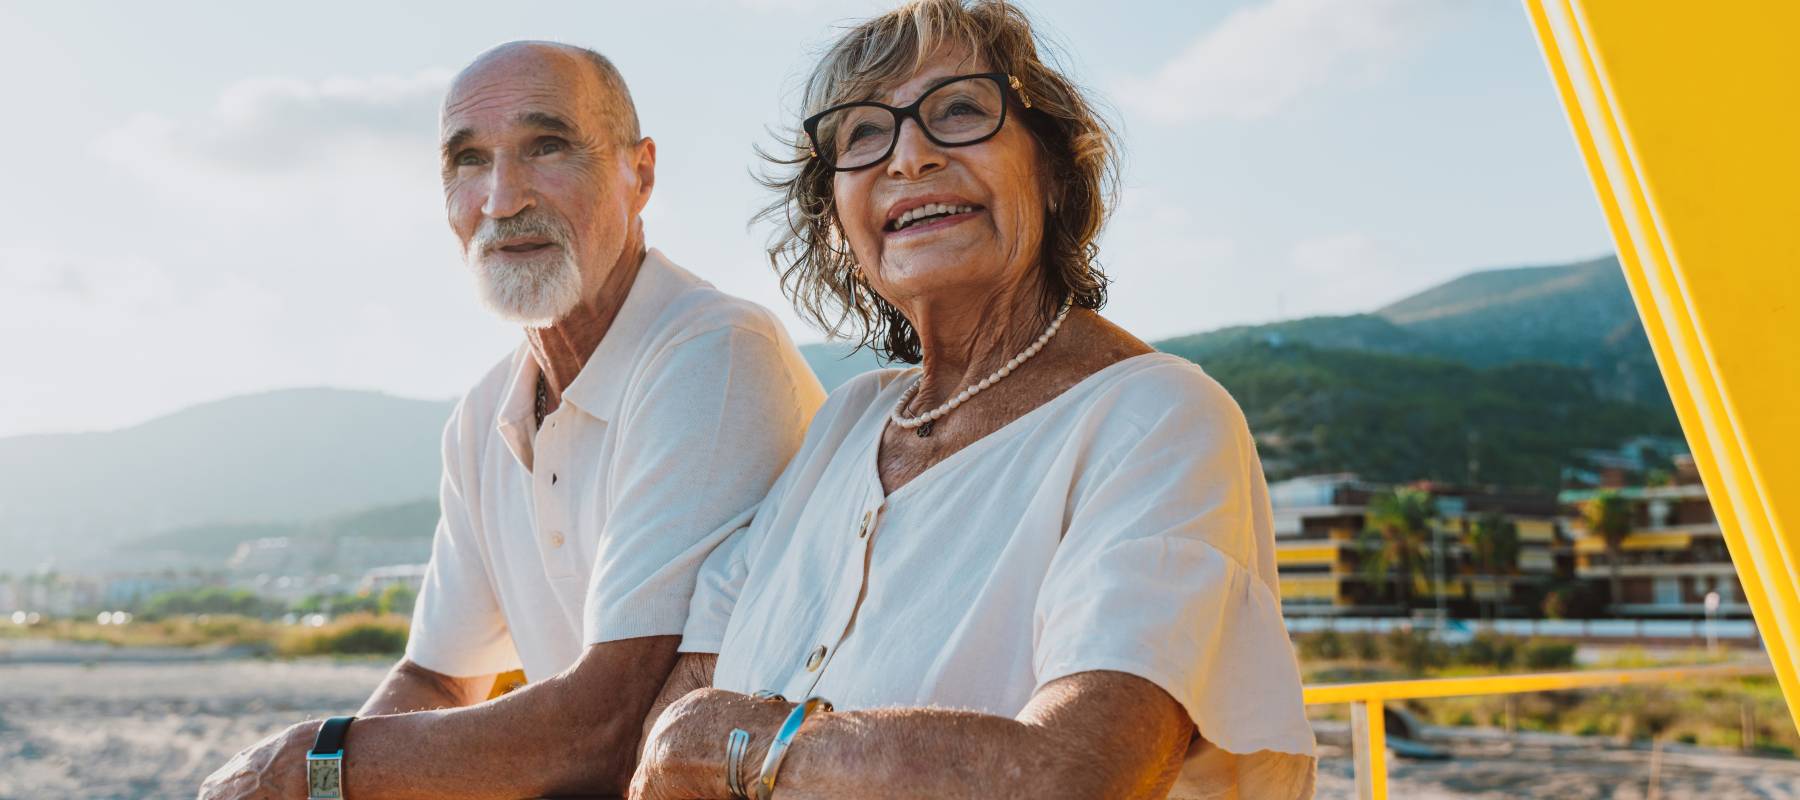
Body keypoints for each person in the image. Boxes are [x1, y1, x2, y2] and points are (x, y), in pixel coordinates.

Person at [629, 2, 1317, 798]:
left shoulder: (1156, 419)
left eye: (959, 109)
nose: (910, 156)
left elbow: (1075, 773)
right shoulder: (845, 425)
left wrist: (743, 747)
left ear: (1055, 171)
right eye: (861, 133)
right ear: (838, 222)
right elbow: (682, 702)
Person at [199, 41, 824, 799]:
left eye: (547, 146)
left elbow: (608, 727)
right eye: (468, 161)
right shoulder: (481, 418)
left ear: (641, 173)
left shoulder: (712, 355)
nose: (502, 198)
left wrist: (316, 762)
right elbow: (436, 676)